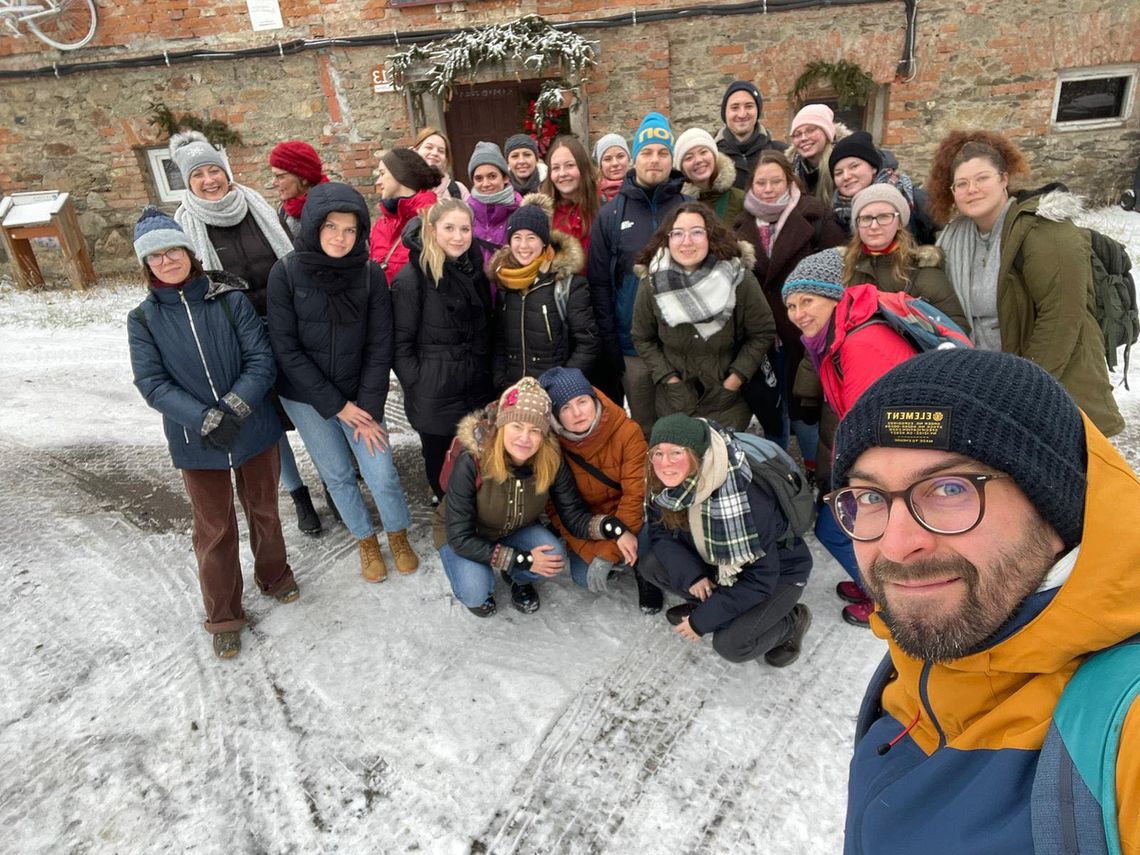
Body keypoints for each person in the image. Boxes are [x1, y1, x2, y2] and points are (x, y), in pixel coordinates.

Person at [828, 348, 1140, 854]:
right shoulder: (920, 661)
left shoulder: (1125, 730)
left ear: (1056, 510)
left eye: (948, 488)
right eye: (869, 497)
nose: (895, 544)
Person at [127, 207, 298, 660]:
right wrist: (205, 418)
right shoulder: (143, 320)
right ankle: (224, 613)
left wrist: (234, 408)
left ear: (188, 251)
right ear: (146, 265)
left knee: (264, 511)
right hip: (195, 441)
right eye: (155, 257)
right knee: (214, 529)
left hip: (254, 429)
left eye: (172, 251)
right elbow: (152, 383)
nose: (166, 261)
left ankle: (276, 575)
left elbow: (260, 358)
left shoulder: (229, 299)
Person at [267, 182, 420, 583]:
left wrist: (366, 406)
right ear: (314, 226)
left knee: (381, 471)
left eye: (351, 230)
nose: (341, 237)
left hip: (360, 393)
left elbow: (379, 343)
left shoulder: (368, 275)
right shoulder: (285, 273)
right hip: (305, 397)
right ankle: (365, 540)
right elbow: (286, 348)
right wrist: (336, 406)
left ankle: (398, 533)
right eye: (331, 227)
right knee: (336, 473)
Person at [169, 130, 321, 535]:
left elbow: (291, 259)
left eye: (213, 170)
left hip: (287, 325)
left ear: (226, 172)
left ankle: (336, 478)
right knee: (267, 420)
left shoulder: (256, 205)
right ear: (188, 182)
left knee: (308, 407)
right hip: (240, 339)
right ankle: (299, 494)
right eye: (198, 174)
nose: (209, 180)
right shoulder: (185, 225)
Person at [929, 130, 1124, 437]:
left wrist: (1027, 390)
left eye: (982, 178)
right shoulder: (954, 239)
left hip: (1056, 390)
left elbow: (1063, 317)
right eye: (961, 184)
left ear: (1004, 178)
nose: (972, 190)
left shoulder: (1043, 229)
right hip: (991, 385)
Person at [782, 249, 919, 626]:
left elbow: (870, 428)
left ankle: (891, 602)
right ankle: (877, 585)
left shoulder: (861, 344)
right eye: (792, 306)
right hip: (891, 457)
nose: (798, 314)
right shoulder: (844, 335)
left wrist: (855, 483)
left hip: (897, 462)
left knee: (836, 530)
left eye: (807, 300)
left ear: (833, 295)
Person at [433, 377, 629, 617]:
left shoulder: (550, 461)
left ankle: (517, 578)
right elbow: (460, 537)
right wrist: (523, 558)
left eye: (535, 430)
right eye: (517, 426)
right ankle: (480, 580)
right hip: (465, 533)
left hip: (513, 528)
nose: (525, 438)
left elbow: (573, 516)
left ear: (544, 435)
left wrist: (614, 528)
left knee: (552, 556)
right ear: (503, 426)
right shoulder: (472, 460)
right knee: (475, 590)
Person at [639, 414, 814, 666]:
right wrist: (693, 576)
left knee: (731, 645)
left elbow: (760, 579)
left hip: (777, 572)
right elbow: (660, 533)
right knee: (652, 565)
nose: (665, 463)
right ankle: (719, 607)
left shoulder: (746, 498)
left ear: (697, 454)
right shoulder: (665, 484)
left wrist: (701, 621)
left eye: (676, 453)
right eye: (658, 453)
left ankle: (792, 621)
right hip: (717, 559)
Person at [732, 150, 846, 459]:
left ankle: (813, 465)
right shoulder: (740, 224)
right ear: (751, 185)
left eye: (775, 181)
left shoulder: (815, 215)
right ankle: (777, 467)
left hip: (805, 330)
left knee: (804, 406)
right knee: (771, 406)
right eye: (761, 183)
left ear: (788, 180)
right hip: (764, 333)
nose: (768, 189)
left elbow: (839, 266)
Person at [631, 201, 776, 432]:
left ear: (711, 236)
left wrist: (735, 379)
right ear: (667, 238)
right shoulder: (652, 283)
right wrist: (669, 379)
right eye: (677, 233)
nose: (687, 241)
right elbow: (643, 337)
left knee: (723, 464)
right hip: (675, 400)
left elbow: (762, 331)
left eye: (696, 232)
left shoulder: (739, 278)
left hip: (728, 400)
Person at [391, 198, 495, 503]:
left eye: (465, 229)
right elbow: (400, 344)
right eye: (449, 228)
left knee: (475, 463)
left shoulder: (474, 269)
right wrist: (421, 381)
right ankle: (448, 520)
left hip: (474, 389)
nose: (458, 236)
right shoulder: (412, 280)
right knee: (441, 468)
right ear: (432, 229)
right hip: (434, 395)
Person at [538, 366, 661, 613]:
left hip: (631, 513)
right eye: (565, 408)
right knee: (583, 577)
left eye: (582, 401)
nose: (577, 413)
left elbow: (636, 497)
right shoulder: (550, 450)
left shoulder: (627, 432)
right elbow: (561, 514)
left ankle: (646, 573)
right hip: (591, 524)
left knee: (649, 525)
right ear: (554, 416)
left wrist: (606, 554)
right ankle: (623, 559)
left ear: (593, 399)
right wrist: (595, 547)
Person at [587, 112, 688, 412]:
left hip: (681, 345)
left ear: (672, 159)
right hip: (633, 347)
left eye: (662, 152)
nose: (654, 159)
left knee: (681, 426)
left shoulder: (689, 209)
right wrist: (611, 344)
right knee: (643, 429)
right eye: (646, 152)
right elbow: (600, 284)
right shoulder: (611, 215)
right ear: (635, 159)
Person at [489, 196, 598, 390]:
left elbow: (587, 343)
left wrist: (562, 386)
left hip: (554, 391)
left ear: (544, 243)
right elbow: (499, 343)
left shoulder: (567, 285)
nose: (523, 246)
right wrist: (502, 382)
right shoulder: (505, 283)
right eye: (517, 237)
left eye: (531, 238)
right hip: (515, 393)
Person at [843, 184, 968, 331]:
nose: (874, 225)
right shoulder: (842, 268)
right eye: (866, 218)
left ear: (900, 222)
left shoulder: (921, 270)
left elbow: (955, 327)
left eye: (884, 217)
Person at [829, 131, 931, 241]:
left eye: (854, 167)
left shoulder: (915, 198)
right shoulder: (833, 213)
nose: (846, 176)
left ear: (873, 168)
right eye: (838, 173)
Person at [369, 148, 442, 279]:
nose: (378, 182)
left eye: (382, 173)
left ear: (400, 175)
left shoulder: (434, 221)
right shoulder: (380, 225)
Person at [715, 80, 786, 191]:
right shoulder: (712, 159)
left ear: (758, 111)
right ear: (725, 113)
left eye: (749, 106)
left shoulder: (781, 152)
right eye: (734, 107)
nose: (742, 114)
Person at [539, 135, 599, 259]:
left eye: (570, 165)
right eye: (555, 168)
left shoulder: (602, 206)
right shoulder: (544, 214)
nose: (562, 174)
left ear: (582, 167)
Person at [467, 141, 523, 272]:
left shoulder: (521, 211)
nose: (485, 184)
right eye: (479, 178)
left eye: (492, 176)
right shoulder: (465, 214)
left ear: (505, 178)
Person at [675, 128, 744, 225]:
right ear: (682, 169)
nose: (698, 160)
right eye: (689, 157)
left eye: (703, 152)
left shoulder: (740, 200)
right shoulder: (676, 205)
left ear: (714, 156)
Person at [785, 103, 845, 204]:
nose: (803, 138)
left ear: (827, 132)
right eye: (797, 134)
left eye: (811, 130)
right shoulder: (790, 168)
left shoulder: (846, 161)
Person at [268, 140, 329, 239]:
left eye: (280, 176)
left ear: (304, 178)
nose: (274, 183)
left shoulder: (330, 211)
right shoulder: (285, 209)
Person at [411, 126, 470, 202]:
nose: (435, 153)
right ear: (415, 151)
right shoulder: (402, 189)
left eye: (441, 151)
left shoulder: (458, 190)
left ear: (446, 159)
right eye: (429, 147)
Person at [594, 133, 630, 203]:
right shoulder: (592, 196)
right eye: (607, 159)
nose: (615, 163)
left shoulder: (642, 190)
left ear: (628, 158)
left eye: (620, 156)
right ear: (600, 165)